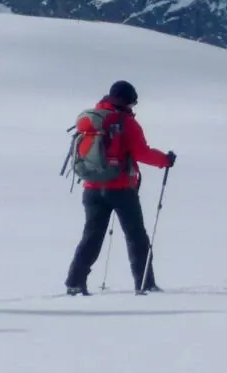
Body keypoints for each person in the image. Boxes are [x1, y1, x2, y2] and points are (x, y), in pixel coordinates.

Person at [65, 81, 174, 296]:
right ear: (127, 100)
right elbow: (142, 153)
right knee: (136, 237)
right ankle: (145, 283)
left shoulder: (91, 119)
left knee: (92, 236)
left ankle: (75, 282)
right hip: (122, 188)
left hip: (92, 187)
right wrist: (165, 160)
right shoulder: (126, 123)